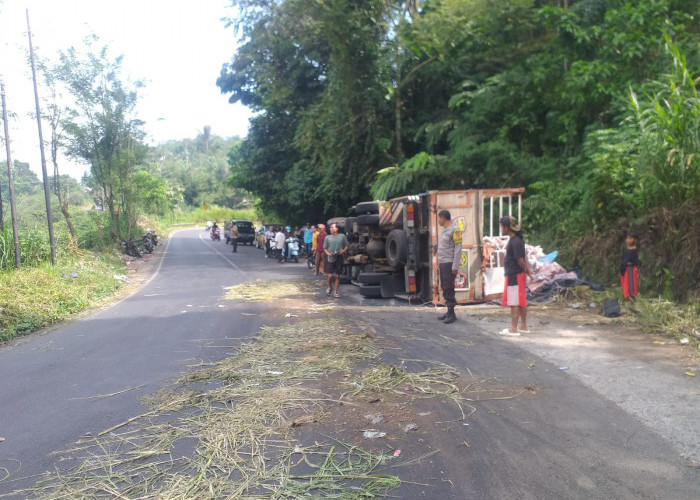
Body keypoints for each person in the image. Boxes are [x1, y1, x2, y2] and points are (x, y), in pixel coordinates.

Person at [499, 215, 532, 336]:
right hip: (518, 274)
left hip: (514, 274)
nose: (501, 228)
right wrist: (526, 270)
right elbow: (524, 256)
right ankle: (523, 325)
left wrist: (526, 269)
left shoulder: (515, 242)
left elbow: (520, 259)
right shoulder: (517, 240)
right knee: (521, 300)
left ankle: (514, 328)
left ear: (507, 227)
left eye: (502, 226)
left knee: (514, 301)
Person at [433, 210, 462, 324]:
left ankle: (451, 312)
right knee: (445, 287)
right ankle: (448, 310)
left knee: (449, 287)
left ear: (443, 217)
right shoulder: (445, 230)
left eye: (439, 218)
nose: (439, 221)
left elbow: (458, 248)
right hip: (444, 263)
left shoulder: (455, 230)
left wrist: (455, 265)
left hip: (450, 263)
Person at [323, 222, 349, 298]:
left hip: (339, 257)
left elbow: (347, 245)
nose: (331, 229)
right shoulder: (327, 237)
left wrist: (343, 251)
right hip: (331, 258)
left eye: (332, 227)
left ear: (337, 228)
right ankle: (330, 287)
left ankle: (335, 292)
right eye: (330, 227)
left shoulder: (342, 236)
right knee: (330, 276)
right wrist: (328, 253)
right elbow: (325, 248)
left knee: (337, 276)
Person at [620, 232, 640, 300]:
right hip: (624, 269)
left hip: (630, 269)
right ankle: (627, 297)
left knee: (630, 284)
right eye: (627, 238)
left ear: (635, 240)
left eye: (630, 238)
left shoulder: (634, 250)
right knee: (625, 284)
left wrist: (629, 264)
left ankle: (631, 298)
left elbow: (635, 261)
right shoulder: (626, 250)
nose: (628, 240)